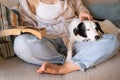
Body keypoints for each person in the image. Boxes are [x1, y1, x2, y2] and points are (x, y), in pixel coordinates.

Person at [13, 0, 120, 75]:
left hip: (76, 38)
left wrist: (84, 12)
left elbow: (80, 7)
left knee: (112, 41)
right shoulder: (26, 3)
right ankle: (61, 59)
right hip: (48, 42)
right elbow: (26, 24)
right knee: (20, 43)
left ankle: (67, 67)